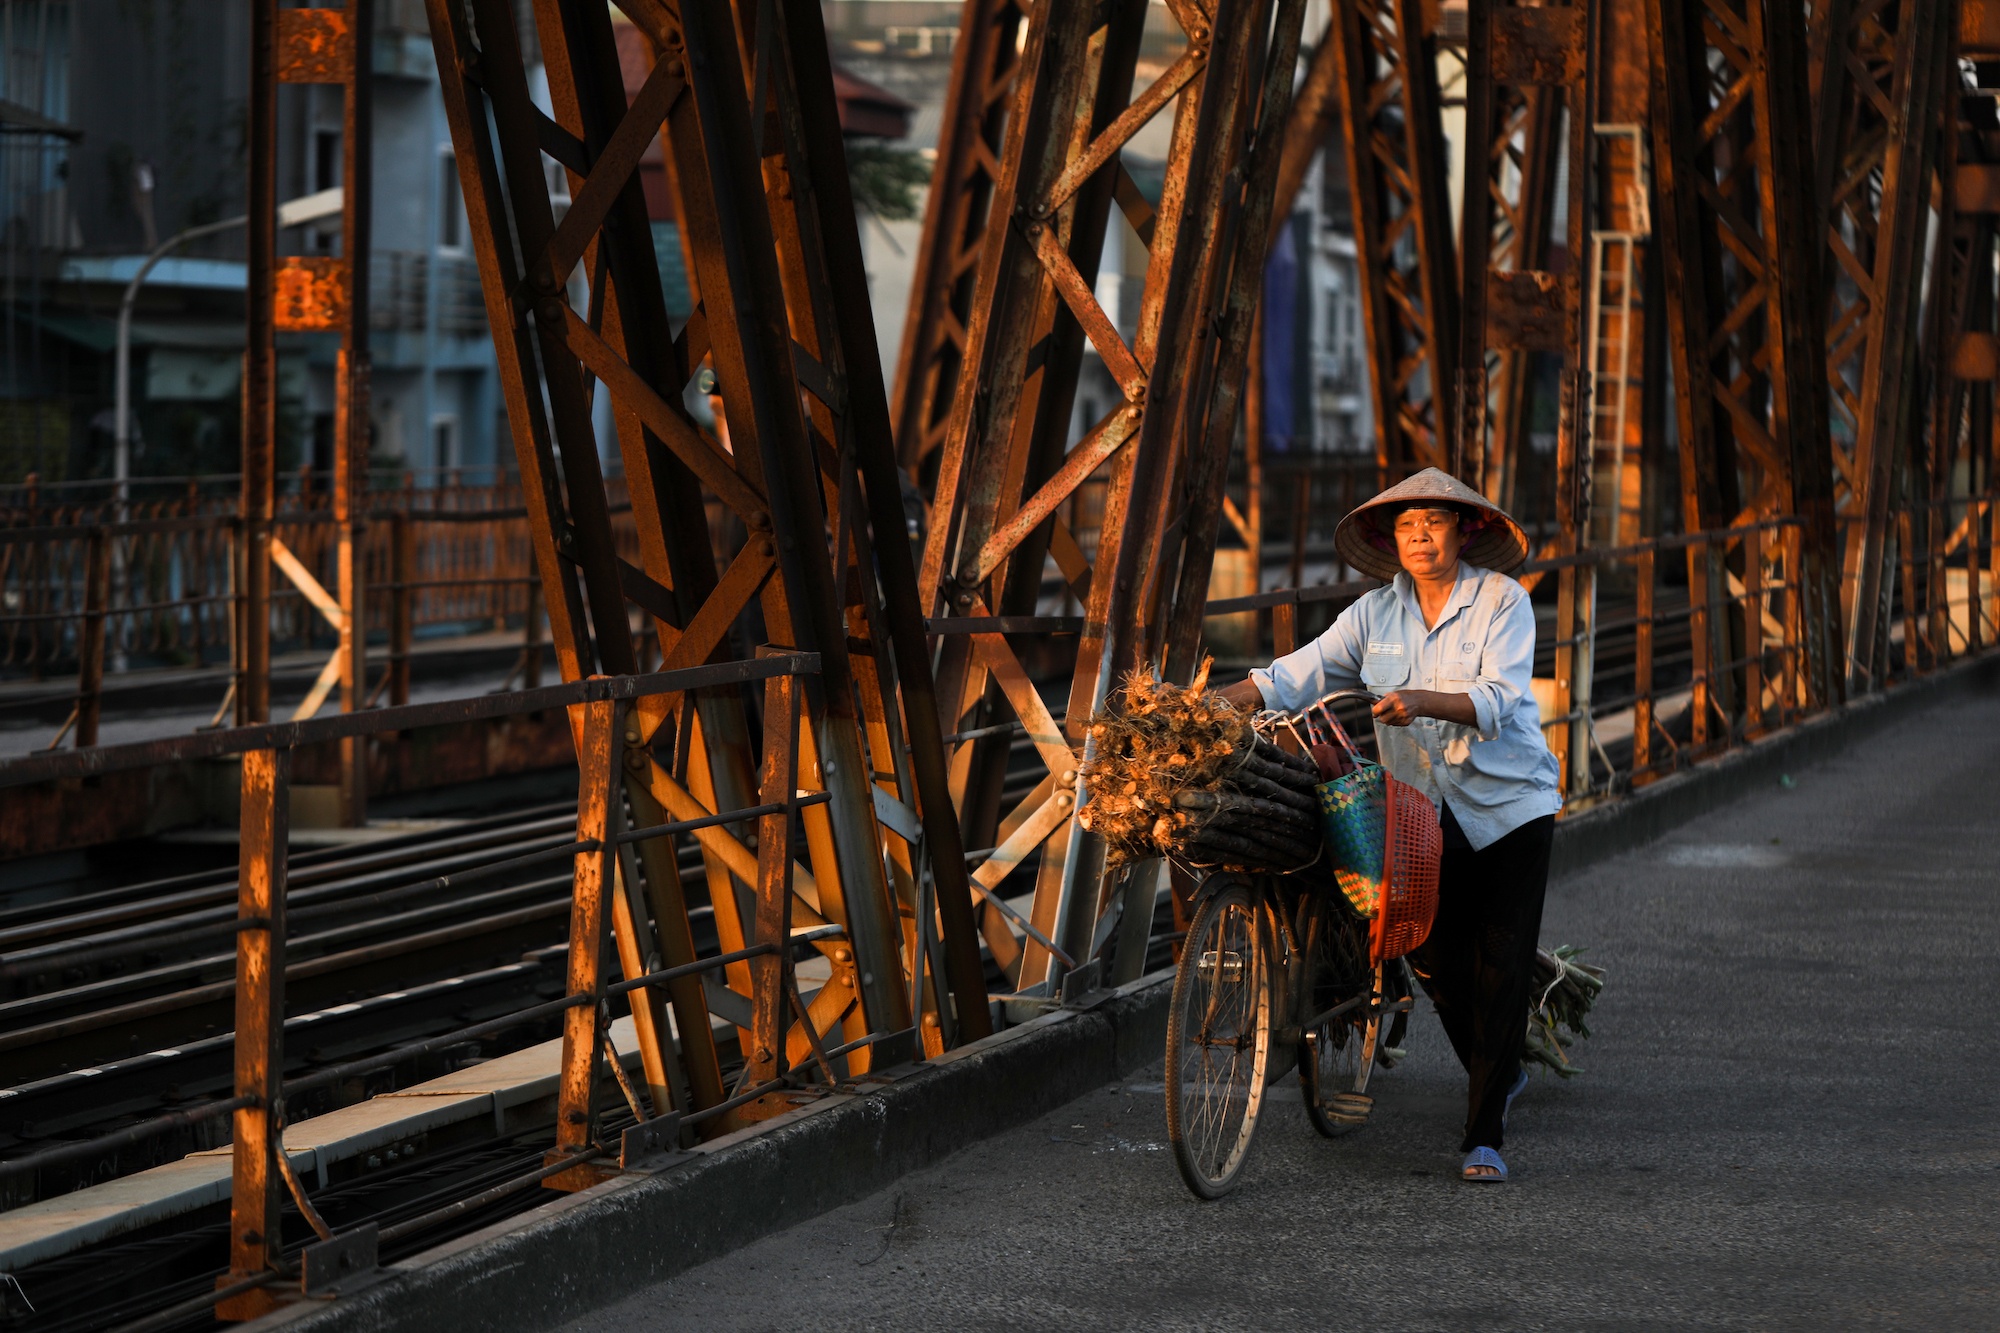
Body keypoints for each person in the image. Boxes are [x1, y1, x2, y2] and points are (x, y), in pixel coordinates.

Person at [1214, 467, 1560, 1184]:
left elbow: (1498, 697)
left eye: (1434, 523)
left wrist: (1422, 699)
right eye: (1406, 526)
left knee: (1501, 966)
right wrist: (1222, 701)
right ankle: (1500, 1070)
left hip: (1509, 811)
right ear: (1389, 538)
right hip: (1420, 816)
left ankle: (1484, 1136)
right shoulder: (1373, 614)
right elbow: (1297, 674)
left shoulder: (1502, 602)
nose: (1420, 537)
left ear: (1464, 531)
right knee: (1427, 952)